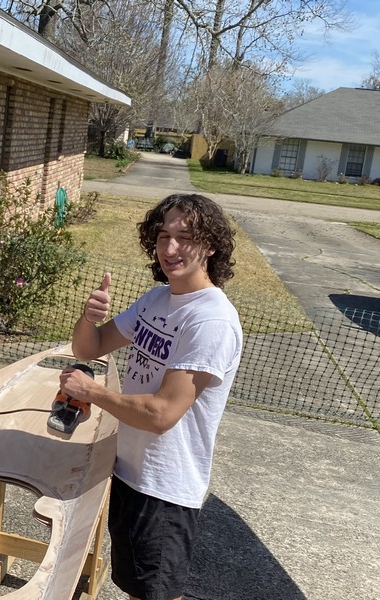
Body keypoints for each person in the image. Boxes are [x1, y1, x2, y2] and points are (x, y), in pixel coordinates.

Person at [59, 193, 243, 600]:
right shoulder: (158, 300)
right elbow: (90, 348)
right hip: (130, 470)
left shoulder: (211, 320)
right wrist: (90, 318)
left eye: (185, 237)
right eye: (163, 236)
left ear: (210, 246)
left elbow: (161, 414)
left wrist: (90, 391)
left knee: (157, 593)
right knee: (138, 587)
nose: (170, 248)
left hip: (166, 486)